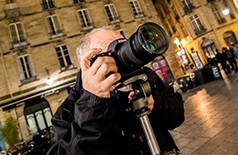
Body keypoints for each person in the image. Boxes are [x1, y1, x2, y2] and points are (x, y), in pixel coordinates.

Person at [47, 26, 185, 155]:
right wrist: (93, 103)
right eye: (114, 52)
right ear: (89, 63)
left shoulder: (145, 76)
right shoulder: (67, 112)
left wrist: (156, 103)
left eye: (123, 46)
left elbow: (177, 117)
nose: (123, 56)